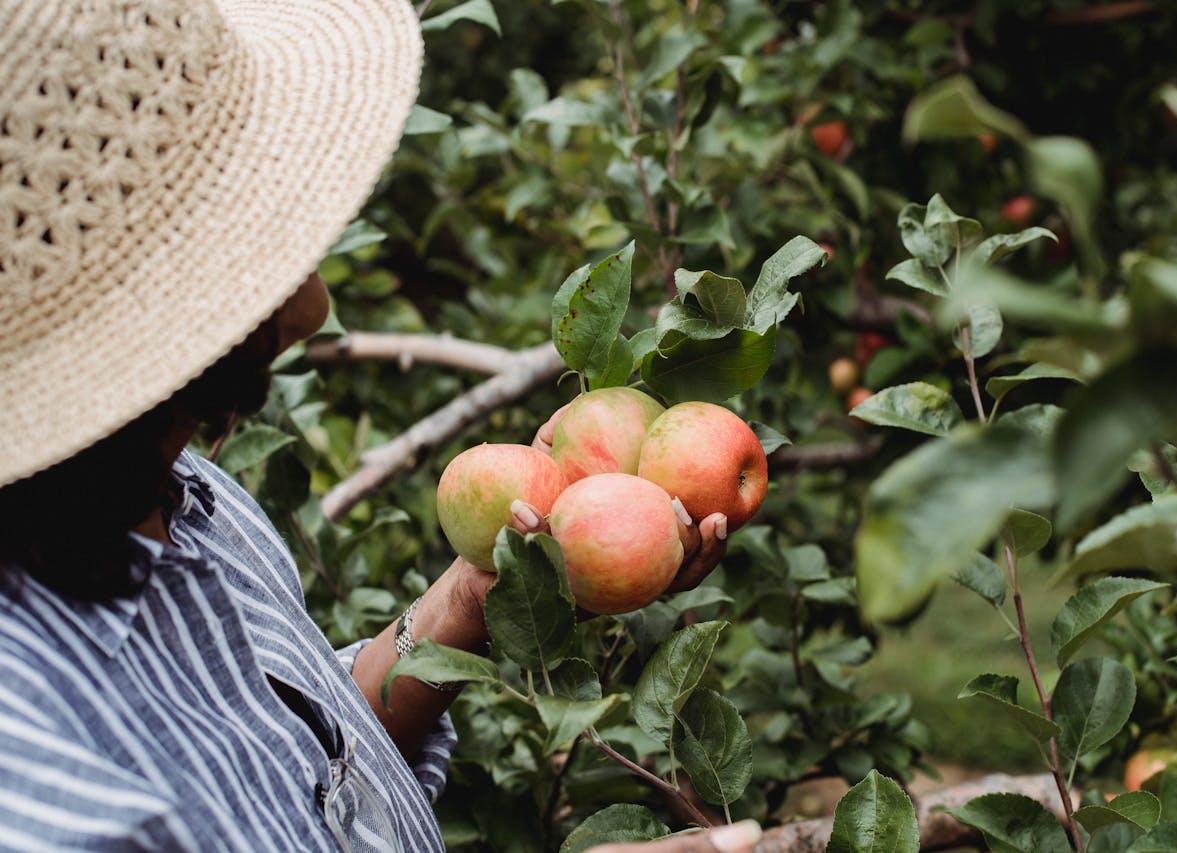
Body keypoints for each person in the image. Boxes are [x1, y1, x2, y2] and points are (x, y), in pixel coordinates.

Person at [0, 1, 762, 851]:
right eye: (252, 215)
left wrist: (480, 595)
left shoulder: (181, 488)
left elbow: (302, 780)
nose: (311, 291)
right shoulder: (37, 778)